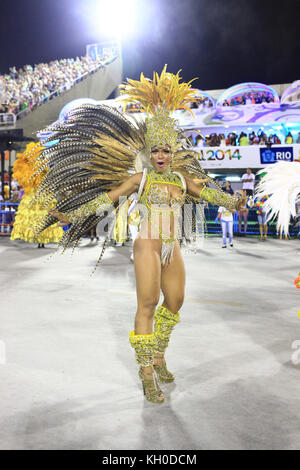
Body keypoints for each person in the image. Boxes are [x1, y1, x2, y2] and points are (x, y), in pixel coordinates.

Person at [33, 67, 246, 404]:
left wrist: (234, 201)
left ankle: (158, 356)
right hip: (147, 244)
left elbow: (209, 194)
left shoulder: (179, 180)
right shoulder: (140, 179)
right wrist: (71, 214)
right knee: (147, 303)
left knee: (174, 303)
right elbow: (106, 199)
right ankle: (146, 372)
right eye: (156, 151)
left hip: (171, 247)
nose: (161, 156)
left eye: (166, 151)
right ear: (150, 153)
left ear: (173, 153)